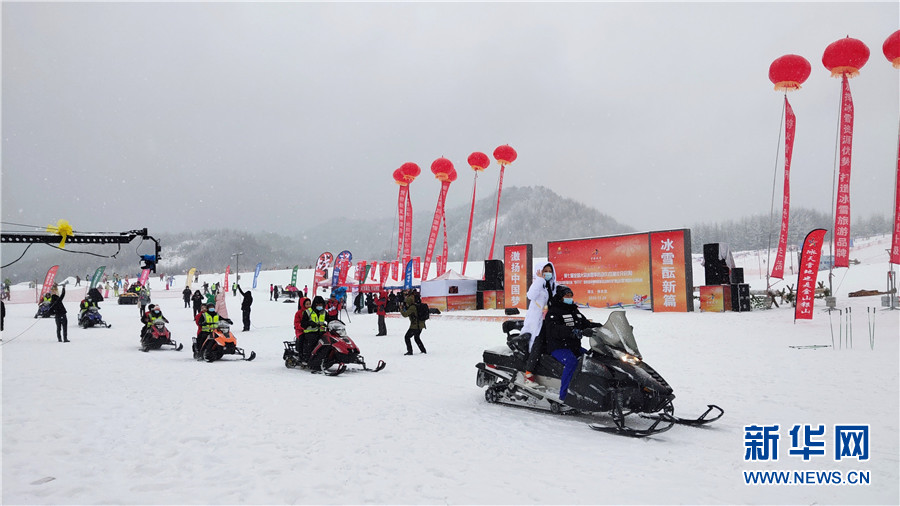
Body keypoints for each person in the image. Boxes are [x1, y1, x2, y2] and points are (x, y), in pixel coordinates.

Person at [542, 286, 601, 403]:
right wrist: (573, 331)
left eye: (570, 296)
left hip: (574, 347)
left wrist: (603, 327)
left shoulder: (574, 311)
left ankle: (591, 391)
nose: (569, 298)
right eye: (566, 296)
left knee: (594, 357)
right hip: (558, 347)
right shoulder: (554, 312)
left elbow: (585, 324)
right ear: (560, 297)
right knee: (572, 361)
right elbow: (555, 330)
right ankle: (565, 395)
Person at [522, 262, 558, 388]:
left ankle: (546, 374)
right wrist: (539, 280)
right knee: (536, 346)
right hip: (536, 322)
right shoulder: (538, 284)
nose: (548, 273)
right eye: (545, 271)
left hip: (547, 322)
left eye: (550, 271)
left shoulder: (553, 286)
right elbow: (530, 295)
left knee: (548, 347)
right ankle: (528, 375)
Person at [300, 296, 328, 367]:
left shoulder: (324, 312)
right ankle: (307, 359)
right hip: (310, 332)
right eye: (318, 305)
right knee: (312, 342)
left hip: (321, 332)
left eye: (321, 305)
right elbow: (303, 323)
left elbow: (329, 319)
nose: (319, 306)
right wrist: (310, 323)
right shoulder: (308, 312)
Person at [400, 290, 427, 355]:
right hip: (420, 325)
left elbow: (405, 315)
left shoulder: (412, 307)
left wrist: (401, 309)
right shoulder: (415, 306)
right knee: (416, 337)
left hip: (415, 326)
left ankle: (410, 351)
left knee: (407, 337)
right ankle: (423, 350)